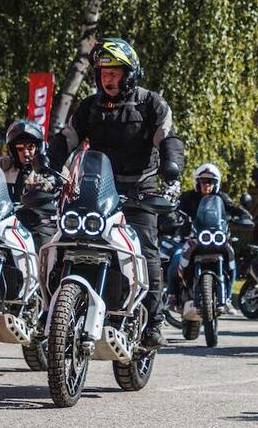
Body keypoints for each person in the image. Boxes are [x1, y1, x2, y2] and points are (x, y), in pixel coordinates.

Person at [47, 38, 185, 349]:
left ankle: (153, 323)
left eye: (115, 73)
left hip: (140, 190)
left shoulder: (151, 103)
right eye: (104, 73)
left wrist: (171, 166)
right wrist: (48, 164)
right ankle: (52, 313)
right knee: (65, 240)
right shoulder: (89, 107)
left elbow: (168, 138)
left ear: (129, 74)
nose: (108, 79)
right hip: (96, 190)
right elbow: (67, 138)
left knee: (146, 251)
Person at [173, 163, 252, 315]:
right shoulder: (188, 197)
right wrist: (174, 218)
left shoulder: (222, 198)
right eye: (203, 181)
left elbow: (235, 208)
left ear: (216, 183)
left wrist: (244, 217)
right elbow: (175, 211)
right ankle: (172, 296)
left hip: (217, 240)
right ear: (197, 182)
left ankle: (227, 298)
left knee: (231, 261)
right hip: (191, 239)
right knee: (176, 258)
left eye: (210, 182)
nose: (206, 185)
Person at [0, 119, 58, 249]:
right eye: (20, 148)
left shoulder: (50, 166)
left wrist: (53, 181)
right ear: (13, 150)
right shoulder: (4, 166)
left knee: (44, 248)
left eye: (30, 147)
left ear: (38, 147)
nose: (25, 152)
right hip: (8, 222)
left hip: (39, 223)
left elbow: (68, 183)